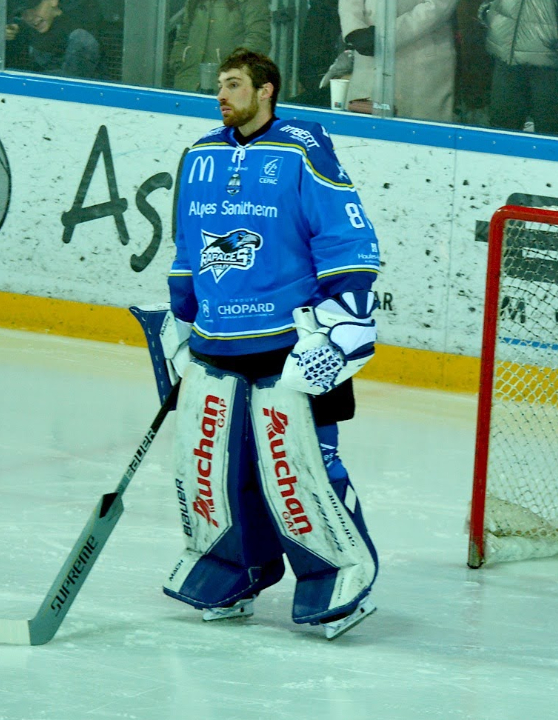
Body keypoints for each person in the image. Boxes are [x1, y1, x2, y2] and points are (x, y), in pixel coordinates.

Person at [160, 48, 381, 638]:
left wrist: (349, 314)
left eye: (233, 84)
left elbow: (343, 235)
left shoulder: (302, 149)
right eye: (219, 84)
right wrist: (181, 313)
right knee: (218, 473)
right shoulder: (201, 154)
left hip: (291, 343)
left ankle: (337, 574)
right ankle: (235, 570)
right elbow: (186, 243)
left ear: (267, 91)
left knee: (299, 470)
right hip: (217, 340)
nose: (221, 94)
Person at [338, 0, 458, 122]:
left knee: (420, 131)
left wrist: (385, 35)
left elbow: (440, 5)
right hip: (368, 51)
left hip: (421, 52)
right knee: (362, 131)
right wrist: (353, 30)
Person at [479, 0, 558, 135]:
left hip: (549, 61)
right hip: (506, 55)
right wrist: (488, 12)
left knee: (549, 132)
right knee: (502, 129)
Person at [168, 0, 271, 92]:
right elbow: (185, 32)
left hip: (229, 88)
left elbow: (259, 40)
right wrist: (178, 59)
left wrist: (232, 68)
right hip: (188, 81)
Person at [5, 0, 101, 78]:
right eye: (23, 13)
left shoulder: (80, 34)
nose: (29, 17)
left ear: (53, 1)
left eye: (34, 8)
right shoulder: (23, 29)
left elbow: (71, 83)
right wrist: (4, 38)